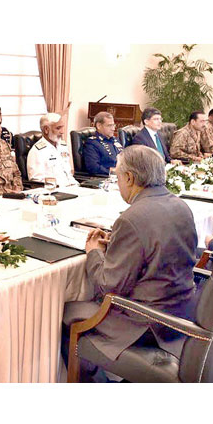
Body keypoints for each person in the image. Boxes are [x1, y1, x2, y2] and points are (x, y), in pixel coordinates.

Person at [61, 145, 198, 382]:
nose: (118, 183)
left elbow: (108, 286)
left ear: (130, 178)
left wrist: (94, 253)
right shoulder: (180, 205)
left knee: (66, 313)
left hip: (144, 322)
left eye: (118, 177)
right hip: (181, 311)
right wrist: (117, 244)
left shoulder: (131, 218)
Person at [26, 112, 79, 186]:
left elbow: (69, 174)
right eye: (58, 128)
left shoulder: (63, 146)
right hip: (55, 192)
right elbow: (37, 181)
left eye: (62, 127)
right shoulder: (37, 151)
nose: (62, 132)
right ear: (46, 130)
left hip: (71, 187)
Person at [83, 111, 123, 176]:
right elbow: (94, 167)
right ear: (99, 126)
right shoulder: (92, 143)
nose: (113, 129)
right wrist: (112, 171)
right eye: (109, 125)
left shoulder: (115, 140)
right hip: (106, 178)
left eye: (113, 125)